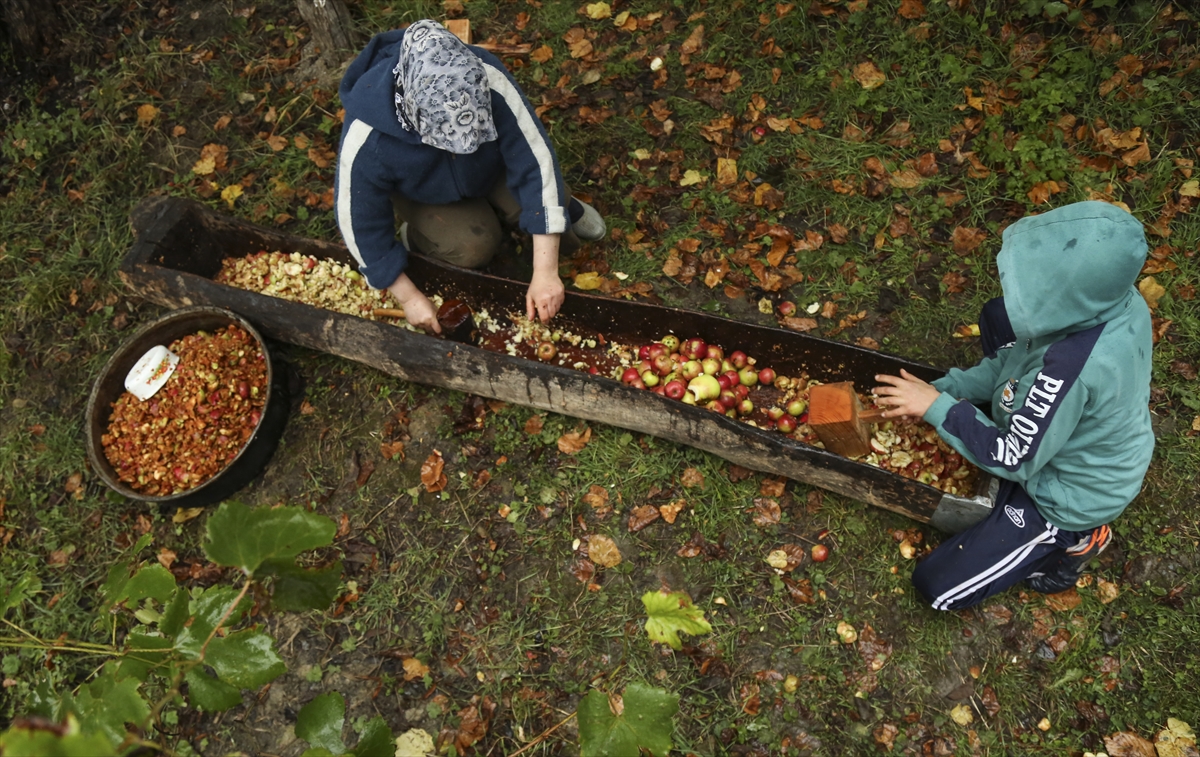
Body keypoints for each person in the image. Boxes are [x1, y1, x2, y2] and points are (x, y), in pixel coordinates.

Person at [872, 201, 1154, 611]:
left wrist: (938, 407)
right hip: (1079, 414)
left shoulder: (1067, 372)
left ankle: (1074, 541)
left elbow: (1013, 457)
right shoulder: (1117, 298)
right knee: (998, 315)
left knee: (937, 586)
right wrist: (946, 387)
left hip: (1070, 492)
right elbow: (1017, 358)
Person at [334, 20, 606, 334]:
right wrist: (407, 296)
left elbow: (535, 158)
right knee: (473, 246)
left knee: (556, 214)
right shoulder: (366, 134)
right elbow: (358, 222)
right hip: (424, 192)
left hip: (490, 169)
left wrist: (545, 271)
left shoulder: (488, 78)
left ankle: (566, 209)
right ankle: (421, 234)